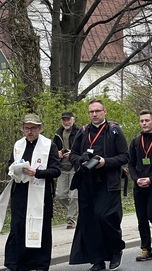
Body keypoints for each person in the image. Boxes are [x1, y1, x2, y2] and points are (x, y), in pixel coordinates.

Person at [69, 99, 129, 271]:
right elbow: (72, 155)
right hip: (87, 184)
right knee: (90, 222)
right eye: (91, 112)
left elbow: (125, 156)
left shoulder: (114, 130)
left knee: (106, 218)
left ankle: (116, 250)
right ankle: (98, 260)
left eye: (97, 111)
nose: (94, 114)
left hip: (108, 183)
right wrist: (82, 160)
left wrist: (105, 162)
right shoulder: (82, 132)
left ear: (105, 112)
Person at [1, 114, 60, 271]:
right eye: (26, 128)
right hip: (20, 192)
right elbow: (8, 166)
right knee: (18, 226)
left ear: (40, 128)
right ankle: (16, 263)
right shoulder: (18, 145)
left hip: (41, 194)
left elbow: (56, 170)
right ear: (22, 129)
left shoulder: (49, 145)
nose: (29, 131)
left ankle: (40, 264)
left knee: (40, 227)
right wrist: (13, 170)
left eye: (33, 128)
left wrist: (37, 173)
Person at [128, 110, 152, 261]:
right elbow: (131, 163)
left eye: (146, 120)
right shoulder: (136, 141)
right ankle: (146, 249)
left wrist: (151, 179)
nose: (144, 123)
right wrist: (135, 178)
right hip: (139, 185)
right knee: (141, 218)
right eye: (141, 121)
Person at [53, 111, 81, 229]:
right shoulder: (58, 134)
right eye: (64, 120)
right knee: (60, 195)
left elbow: (85, 149)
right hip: (62, 167)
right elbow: (52, 150)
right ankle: (76, 212)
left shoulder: (80, 132)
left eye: (68, 119)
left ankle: (71, 220)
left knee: (74, 196)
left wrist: (73, 153)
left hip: (75, 166)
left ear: (73, 120)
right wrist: (57, 153)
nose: (66, 122)